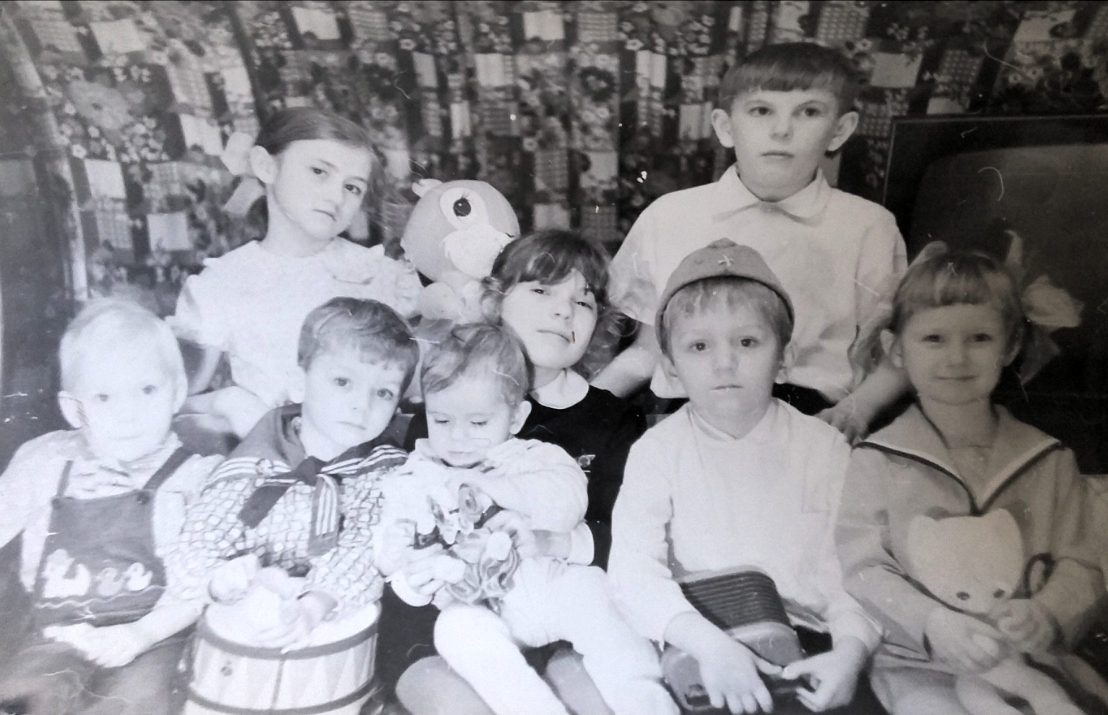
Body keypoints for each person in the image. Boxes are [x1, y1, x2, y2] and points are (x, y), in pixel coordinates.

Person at [609, 239, 882, 715]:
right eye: (699, 346)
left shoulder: (825, 449)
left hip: (815, 650)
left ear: (785, 358)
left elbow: (858, 570)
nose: (724, 362)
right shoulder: (657, 452)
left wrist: (851, 652)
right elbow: (633, 574)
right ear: (670, 367)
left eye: (747, 342)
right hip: (701, 647)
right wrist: (711, 648)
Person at [382, 230, 646, 711]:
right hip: (447, 618)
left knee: (593, 696)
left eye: (583, 302)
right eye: (542, 290)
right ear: (495, 300)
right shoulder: (447, 400)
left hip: (560, 611)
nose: (564, 311)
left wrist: (552, 540)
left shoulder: (612, 419)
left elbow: (621, 539)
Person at [836, 246, 1104, 715]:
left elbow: (1084, 562)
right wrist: (930, 620)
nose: (956, 357)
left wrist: (1047, 611)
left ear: (1011, 346)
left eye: (979, 337)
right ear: (896, 350)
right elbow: (864, 567)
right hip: (921, 662)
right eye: (934, 339)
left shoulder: (1050, 460)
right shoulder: (877, 460)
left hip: (1031, 661)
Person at [596, 42, 908, 442]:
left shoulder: (869, 226)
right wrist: (578, 409)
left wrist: (856, 410)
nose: (782, 130)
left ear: (840, 130)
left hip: (816, 416)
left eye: (809, 112)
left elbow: (902, 351)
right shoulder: (669, 215)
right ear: (726, 127)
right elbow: (648, 351)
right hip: (687, 411)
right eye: (761, 111)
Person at [0, 299, 222, 715]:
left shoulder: (196, 478)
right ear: (73, 409)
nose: (128, 415)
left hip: (155, 639)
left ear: (177, 393)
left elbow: (203, 585)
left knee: (136, 702)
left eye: (147, 390)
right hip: (57, 637)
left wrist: (141, 635)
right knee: (21, 695)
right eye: (103, 397)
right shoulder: (45, 462)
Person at [165, 297, 418, 647]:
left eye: (384, 392)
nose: (362, 405)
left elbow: (361, 548)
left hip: (332, 619)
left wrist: (315, 606)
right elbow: (201, 538)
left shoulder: (384, 472)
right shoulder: (258, 458)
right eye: (343, 381)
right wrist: (218, 578)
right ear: (300, 383)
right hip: (247, 620)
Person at [171, 107, 422, 438]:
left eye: (352, 188)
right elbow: (169, 399)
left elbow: (421, 387)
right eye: (319, 171)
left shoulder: (379, 273)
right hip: (274, 453)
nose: (336, 196)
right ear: (266, 166)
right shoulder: (224, 283)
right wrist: (229, 402)